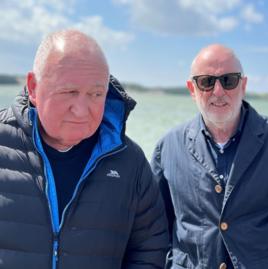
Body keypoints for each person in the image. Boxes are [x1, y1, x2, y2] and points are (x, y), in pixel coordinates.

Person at [0, 29, 169, 268]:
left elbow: (150, 247)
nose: (81, 109)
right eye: (69, 92)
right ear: (33, 87)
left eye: (96, 94)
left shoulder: (130, 162)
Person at [151, 44, 268, 268]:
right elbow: (155, 229)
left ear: (243, 85)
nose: (218, 91)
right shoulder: (167, 148)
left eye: (228, 80)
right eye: (207, 81)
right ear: (192, 89)